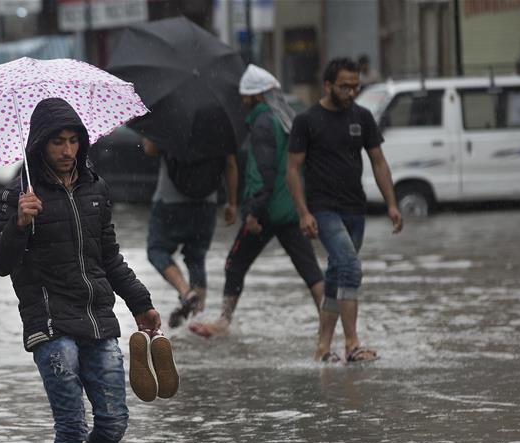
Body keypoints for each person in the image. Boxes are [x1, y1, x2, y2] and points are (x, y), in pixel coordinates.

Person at [0, 97, 170, 443]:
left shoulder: (95, 188)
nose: (67, 151)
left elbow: (109, 257)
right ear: (39, 145)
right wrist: (18, 223)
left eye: (74, 141)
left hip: (97, 318)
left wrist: (141, 304)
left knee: (113, 422)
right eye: (57, 143)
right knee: (71, 424)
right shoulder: (18, 195)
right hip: (49, 323)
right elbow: (0, 263)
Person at [189, 65, 324, 338]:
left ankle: (224, 322)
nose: (242, 101)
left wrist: (253, 212)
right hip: (289, 210)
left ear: (256, 97)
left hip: (266, 211)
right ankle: (330, 320)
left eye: (245, 96)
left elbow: (264, 171)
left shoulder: (263, 123)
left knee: (234, 263)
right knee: (310, 271)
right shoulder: (285, 118)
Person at [286, 58, 403, 364]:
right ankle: (353, 344)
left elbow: (379, 161)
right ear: (327, 86)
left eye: (356, 86)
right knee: (350, 267)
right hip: (323, 209)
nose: (351, 92)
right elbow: (293, 170)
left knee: (338, 275)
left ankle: (323, 348)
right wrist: (303, 213)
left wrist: (391, 203)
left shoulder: (362, 118)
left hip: (355, 208)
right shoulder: (307, 121)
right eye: (345, 86)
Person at [144, 136, 238, 329]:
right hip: (206, 203)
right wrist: (232, 203)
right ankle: (198, 320)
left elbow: (151, 149)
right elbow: (230, 164)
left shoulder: (167, 114)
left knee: (156, 250)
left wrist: (150, 134)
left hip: (169, 202)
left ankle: (187, 294)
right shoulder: (219, 118)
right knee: (196, 257)